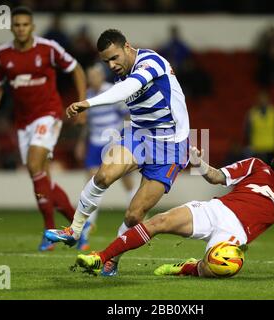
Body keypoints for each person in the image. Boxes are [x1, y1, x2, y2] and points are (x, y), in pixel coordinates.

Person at [74, 139, 274, 278]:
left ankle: (188, 268)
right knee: (159, 222)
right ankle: (102, 258)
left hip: (235, 235)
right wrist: (199, 163)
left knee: (224, 268)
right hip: (217, 210)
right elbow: (216, 176)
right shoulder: (255, 165)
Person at [45, 29, 190, 276]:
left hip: (171, 147)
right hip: (140, 135)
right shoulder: (121, 78)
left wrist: (87, 103)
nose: (111, 65)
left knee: (134, 216)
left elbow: (124, 92)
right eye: (106, 62)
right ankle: (75, 229)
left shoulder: (151, 62)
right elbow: (125, 94)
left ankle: (112, 259)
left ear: (127, 47)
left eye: (114, 58)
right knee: (103, 175)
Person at [0, 6, 87, 251]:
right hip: (23, 122)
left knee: (34, 165)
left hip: (49, 115)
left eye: (25, 24)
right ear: (12, 28)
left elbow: (76, 68)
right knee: (41, 179)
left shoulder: (48, 48)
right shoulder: (1, 55)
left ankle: (48, 231)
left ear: (32, 26)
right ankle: (77, 229)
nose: (21, 28)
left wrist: (83, 102)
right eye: (17, 25)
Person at [74, 63, 136, 251]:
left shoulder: (112, 91)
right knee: (92, 183)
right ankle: (86, 228)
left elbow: (127, 116)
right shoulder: (88, 96)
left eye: (94, 75)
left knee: (127, 182)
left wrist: (128, 140)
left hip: (114, 140)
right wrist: (81, 142)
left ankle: (137, 214)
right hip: (94, 143)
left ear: (101, 76)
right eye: (89, 75)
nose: (92, 79)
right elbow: (87, 123)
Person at [244, 90, 274, 164]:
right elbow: (247, 130)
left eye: (264, 98)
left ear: (268, 99)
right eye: (261, 98)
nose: (263, 100)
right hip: (257, 147)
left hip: (272, 146)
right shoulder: (252, 113)